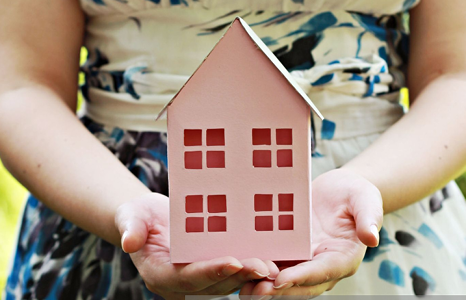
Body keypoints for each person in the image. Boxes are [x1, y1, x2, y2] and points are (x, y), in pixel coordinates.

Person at [1, 0, 466, 299]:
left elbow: (456, 76)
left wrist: (368, 184)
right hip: (103, 198)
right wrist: (122, 207)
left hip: (385, 200)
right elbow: (20, 84)